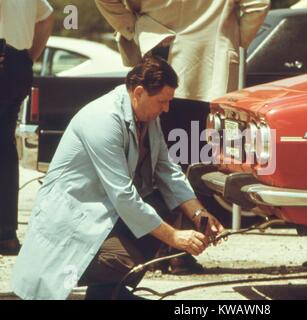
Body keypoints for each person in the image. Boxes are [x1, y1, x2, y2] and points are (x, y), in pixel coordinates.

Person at [11, 54, 224, 300]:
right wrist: (174, 237)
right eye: (162, 101)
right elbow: (123, 196)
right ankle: (98, 289)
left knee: (164, 204)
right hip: (75, 218)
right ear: (139, 92)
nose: (166, 109)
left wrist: (198, 214)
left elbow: (166, 169)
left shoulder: (146, 114)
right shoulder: (102, 119)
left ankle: (108, 293)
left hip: (105, 211)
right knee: (123, 259)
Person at [95, 0, 270, 170]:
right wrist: (234, 39)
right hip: (212, 63)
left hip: (155, 54)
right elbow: (257, 5)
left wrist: (134, 29)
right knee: (207, 154)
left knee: (158, 151)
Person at [0, 0, 54, 255]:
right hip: (16, 61)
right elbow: (47, 17)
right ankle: (5, 234)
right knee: (5, 148)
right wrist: (25, 58)